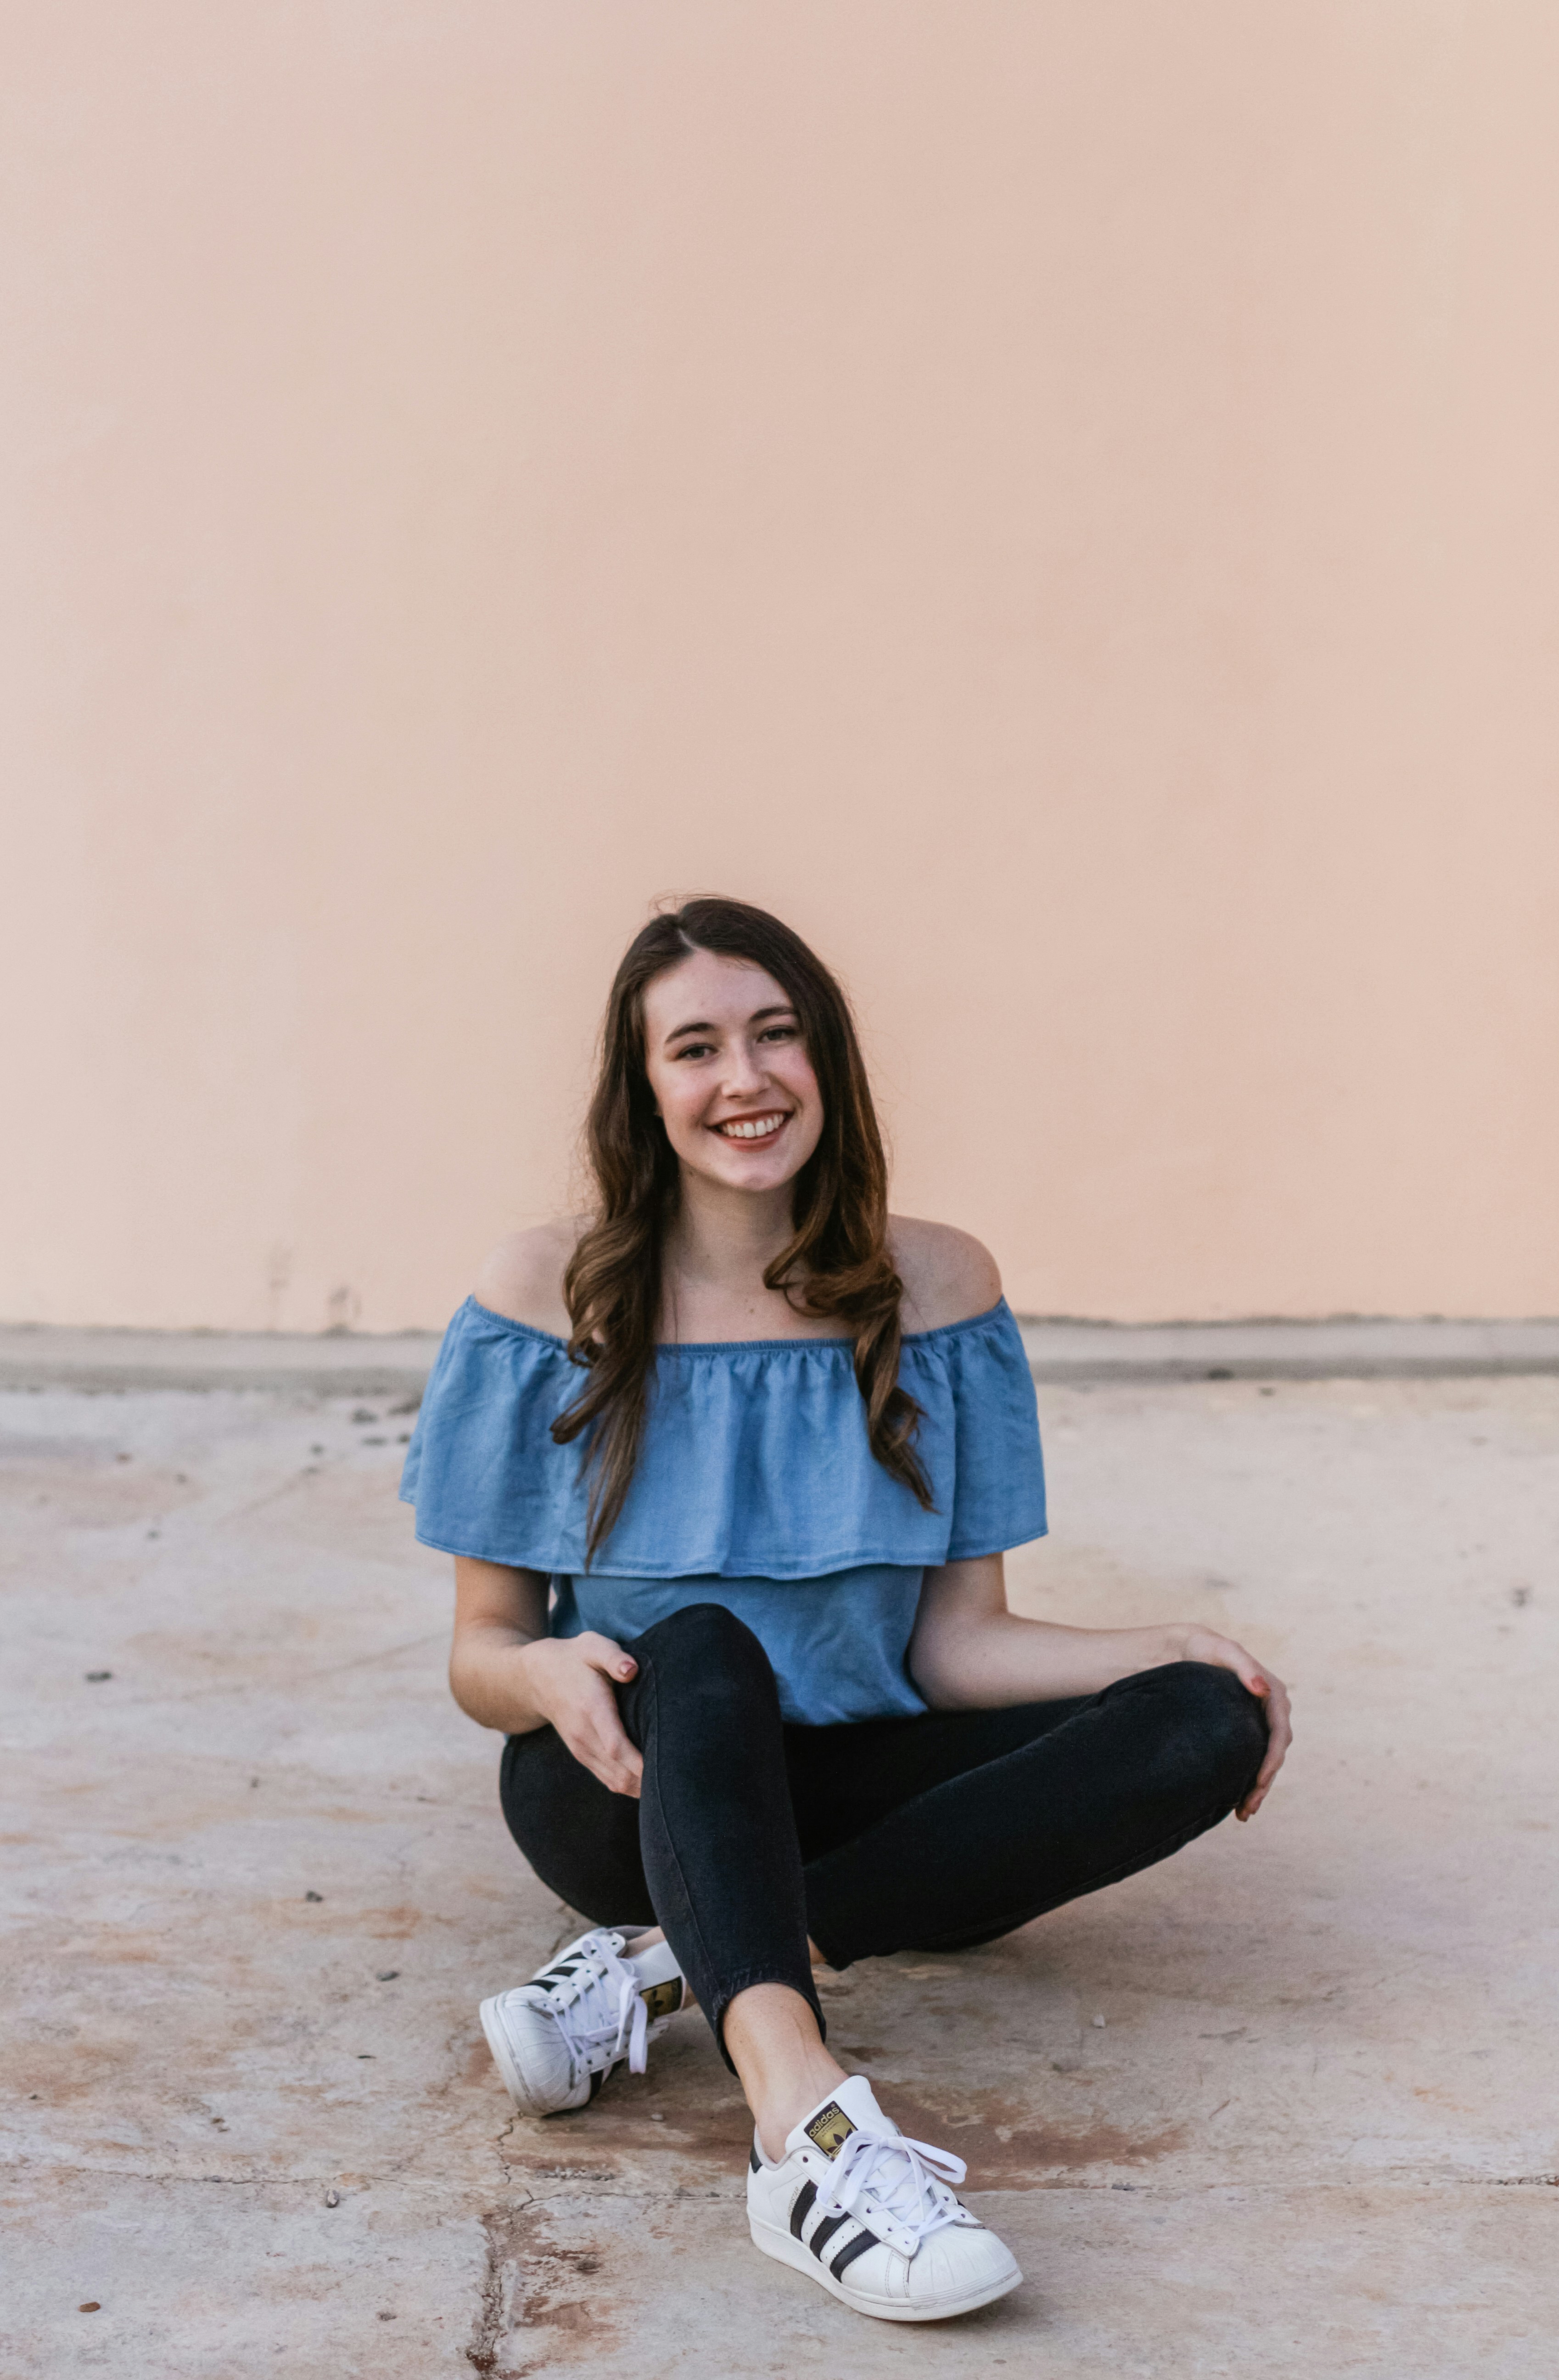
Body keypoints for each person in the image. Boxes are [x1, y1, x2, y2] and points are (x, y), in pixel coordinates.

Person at [401, 895, 1291, 2325]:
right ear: (644, 1089)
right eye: (695, 1049)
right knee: (703, 1647)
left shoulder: (938, 1286)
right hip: (629, 1781)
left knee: (1205, 1721)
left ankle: (663, 1977)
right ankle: (803, 2135)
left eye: (777, 1035)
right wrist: (550, 1674)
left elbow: (952, 1648)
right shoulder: (544, 1293)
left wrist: (1171, 1650)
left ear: (829, 1058)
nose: (744, 1080)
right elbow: (481, 1648)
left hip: (853, 1783)